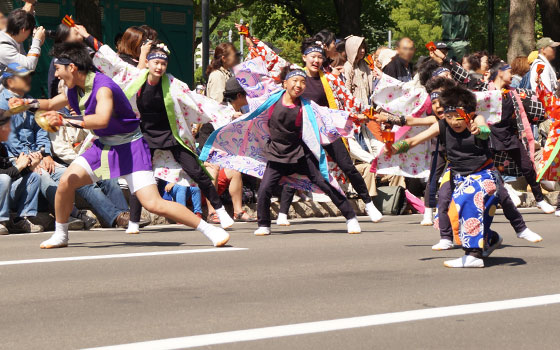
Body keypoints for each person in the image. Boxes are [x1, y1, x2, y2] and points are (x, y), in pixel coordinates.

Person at [16, 41, 230, 249]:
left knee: (153, 203)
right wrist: (26, 103)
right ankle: (61, 234)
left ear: (72, 68)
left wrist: (64, 119)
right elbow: (51, 103)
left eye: (58, 69)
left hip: (131, 148)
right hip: (104, 147)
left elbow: (101, 120)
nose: (55, 74)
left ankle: (209, 230)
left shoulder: (103, 87)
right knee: (66, 182)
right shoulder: (76, 88)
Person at [77, 26, 236, 232]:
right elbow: (110, 58)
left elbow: (197, 100)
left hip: (171, 135)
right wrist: (86, 35)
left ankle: (221, 212)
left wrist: (227, 113)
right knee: (140, 177)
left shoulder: (172, 84)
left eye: (163, 63)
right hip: (143, 136)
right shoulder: (135, 77)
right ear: (148, 63)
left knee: (197, 171)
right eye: (156, 63)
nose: (159, 67)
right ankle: (134, 221)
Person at [201, 61, 362, 235]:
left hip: (301, 154)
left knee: (325, 183)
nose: (299, 85)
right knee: (265, 189)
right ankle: (264, 224)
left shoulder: (307, 106)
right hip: (276, 153)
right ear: (285, 83)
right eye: (295, 81)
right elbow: (257, 81)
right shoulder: (272, 99)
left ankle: (351, 217)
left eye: (303, 82)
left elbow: (329, 116)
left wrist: (357, 117)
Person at [241, 29, 383, 225]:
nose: (316, 60)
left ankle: (368, 203)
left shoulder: (331, 79)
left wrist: (368, 113)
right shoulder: (295, 75)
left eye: (319, 57)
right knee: (296, 168)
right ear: (304, 58)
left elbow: (349, 99)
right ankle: (283, 213)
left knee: (347, 165)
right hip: (304, 131)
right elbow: (272, 59)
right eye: (312, 56)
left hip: (327, 127)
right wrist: (251, 40)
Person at [393, 86, 501, 268]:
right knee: (457, 215)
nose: (454, 122)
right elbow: (413, 141)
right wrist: (393, 148)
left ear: (469, 112)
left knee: (467, 200)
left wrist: (478, 130)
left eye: (458, 116)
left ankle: (473, 254)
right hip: (459, 177)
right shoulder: (441, 124)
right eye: (449, 116)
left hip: (484, 175)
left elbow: (484, 130)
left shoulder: (477, 119)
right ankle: (491, 238)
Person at [1, 62, 96, 230]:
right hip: (16, 157)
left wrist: (43, 154)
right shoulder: (2, 104)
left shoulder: (29, 101)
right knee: (42, 176)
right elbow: (8, 138)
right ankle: (70, 215)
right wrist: (30, 160)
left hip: (37, 156)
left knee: (69, 174)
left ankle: (104, 213)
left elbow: (41, 129)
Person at [200, 77, 256, 223]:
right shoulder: (219, 112)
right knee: (213, 167)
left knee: (235, 169)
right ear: (239, 96)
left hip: (227, 163)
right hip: (207, 166)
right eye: (246, 94)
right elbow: (204, 147)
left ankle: (238, 211)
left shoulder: (244, 111)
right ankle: (212, 212)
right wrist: (232, 118)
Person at [0, 109, 43, 234]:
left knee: (33, 177)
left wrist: (28, 167)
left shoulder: (2, 147)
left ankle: (21, 218)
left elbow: (12, 175)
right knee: (3, 178)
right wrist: (19, 166)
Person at [343, 35, 373, 105]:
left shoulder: (364, 64)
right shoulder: (348, 67)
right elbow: (347, 90)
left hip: (366, 104)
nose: (362, 50)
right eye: (359, 48)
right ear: (351, 49)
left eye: (363, 47)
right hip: (355, 106)